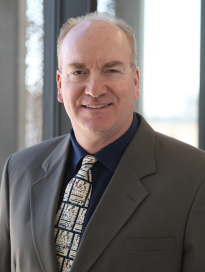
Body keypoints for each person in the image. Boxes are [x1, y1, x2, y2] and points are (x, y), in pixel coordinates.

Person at [1, 12, 205, 272]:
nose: (94, 89)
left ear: (135, 81)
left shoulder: (196, 176)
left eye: (111, 70)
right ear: (60, 85)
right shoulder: (18, 171)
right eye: (79, 71)